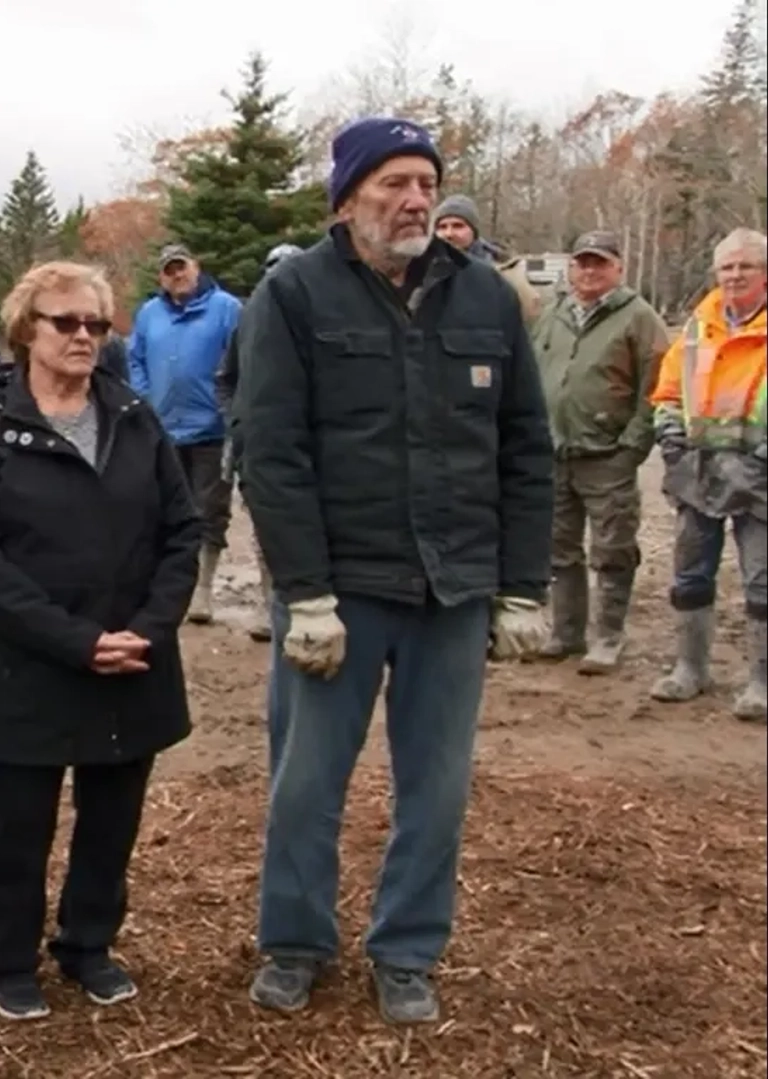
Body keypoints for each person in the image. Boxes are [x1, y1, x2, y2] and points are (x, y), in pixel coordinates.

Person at [236, 117, 553, 1025]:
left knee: (438, 787)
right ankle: (295, 942)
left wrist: (521, 582)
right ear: (347, 199)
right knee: (305, 781)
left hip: (451, 590)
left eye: (426, 181)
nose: (415, 199)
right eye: (393, 183)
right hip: (340, 590)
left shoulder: (485, 299)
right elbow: (274, 451)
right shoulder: (294, 295)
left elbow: (527, 446)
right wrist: (305, 594)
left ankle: (408, 948)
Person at [0, 261, 201, 1022]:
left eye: (96, 323)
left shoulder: (134, 418)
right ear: (28, 329)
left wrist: (147, 630)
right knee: (17, 825)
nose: (85, 335)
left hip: (131, 662)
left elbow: (182, 531)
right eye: (67, 322)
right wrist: (76, 639)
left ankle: (89, 944)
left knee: (111, 819)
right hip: (28, 665)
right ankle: (9, 954)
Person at [531, 230, 671, 672]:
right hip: (555, 452)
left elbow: (656, 389)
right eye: (582, 262)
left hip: (607, 454)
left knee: (612, 549)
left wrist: (630, 448)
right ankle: (567, 632)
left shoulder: (638, 317)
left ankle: (609, 637)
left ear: (618, 268)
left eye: (599, 263)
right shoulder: (554, 314)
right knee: (558, 548)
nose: (589, 271)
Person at [647, 226, 767, 721]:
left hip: (761, 474)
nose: (735, 275)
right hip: (698, 469)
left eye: (746, 266)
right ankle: (690, 668)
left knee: (763, 581)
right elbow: (669, 390)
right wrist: (670, 437)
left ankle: (761, 681)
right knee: (690, 574)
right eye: (727, 267)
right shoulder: (698, 325)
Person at [127, 243, 243, 624]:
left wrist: (230, 408)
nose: (177, 275)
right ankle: (169, 582)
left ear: (197, 267)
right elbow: (135, 357)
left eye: (182, 267)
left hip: (212, 427)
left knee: (209, 509)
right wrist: (144, 398)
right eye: (169, 271)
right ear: (162, 277)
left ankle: (204, 588)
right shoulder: (149, 313)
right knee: (164, 507)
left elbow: (242, 359)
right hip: (163, 428)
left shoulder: (227, 309)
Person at [217, 241, 303, 646]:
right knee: (266, 523)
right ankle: (273, 606)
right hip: (257, 442)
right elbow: (227, 378)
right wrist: (235, 421)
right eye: (272, 271)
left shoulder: (323, 320)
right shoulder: (248, 320)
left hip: (309, 443)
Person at [433, 194, 543, 326]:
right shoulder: (422, 271)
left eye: (458, 226)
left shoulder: (503, 275)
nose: (448, 234)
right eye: (442, 227)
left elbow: (530, 322)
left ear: (474, 232)